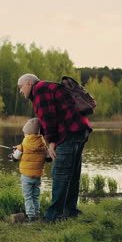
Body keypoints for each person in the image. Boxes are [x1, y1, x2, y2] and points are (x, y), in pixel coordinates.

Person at [17, 73, 91, 222]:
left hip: (68, 133)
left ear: (29, 83)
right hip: (79, 130)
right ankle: (70, 211)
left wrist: (51, 142)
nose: (20, 91)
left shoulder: (40, 90)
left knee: (60, 174)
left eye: (21, 87)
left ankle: (54, 217)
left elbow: (49, 118)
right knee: (72, 174)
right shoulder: (46, 88)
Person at [9, 118, 47, 222]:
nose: (24, 135)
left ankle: (31, 217)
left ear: (29, 133)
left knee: (28, 197)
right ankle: (37, 214)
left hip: (26, 176)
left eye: (25, 133)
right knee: (35, 196)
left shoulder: (23, 145)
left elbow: (15, 158)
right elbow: (47, 157)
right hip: (38, 176)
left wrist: (12, 155)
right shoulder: (43, 144)